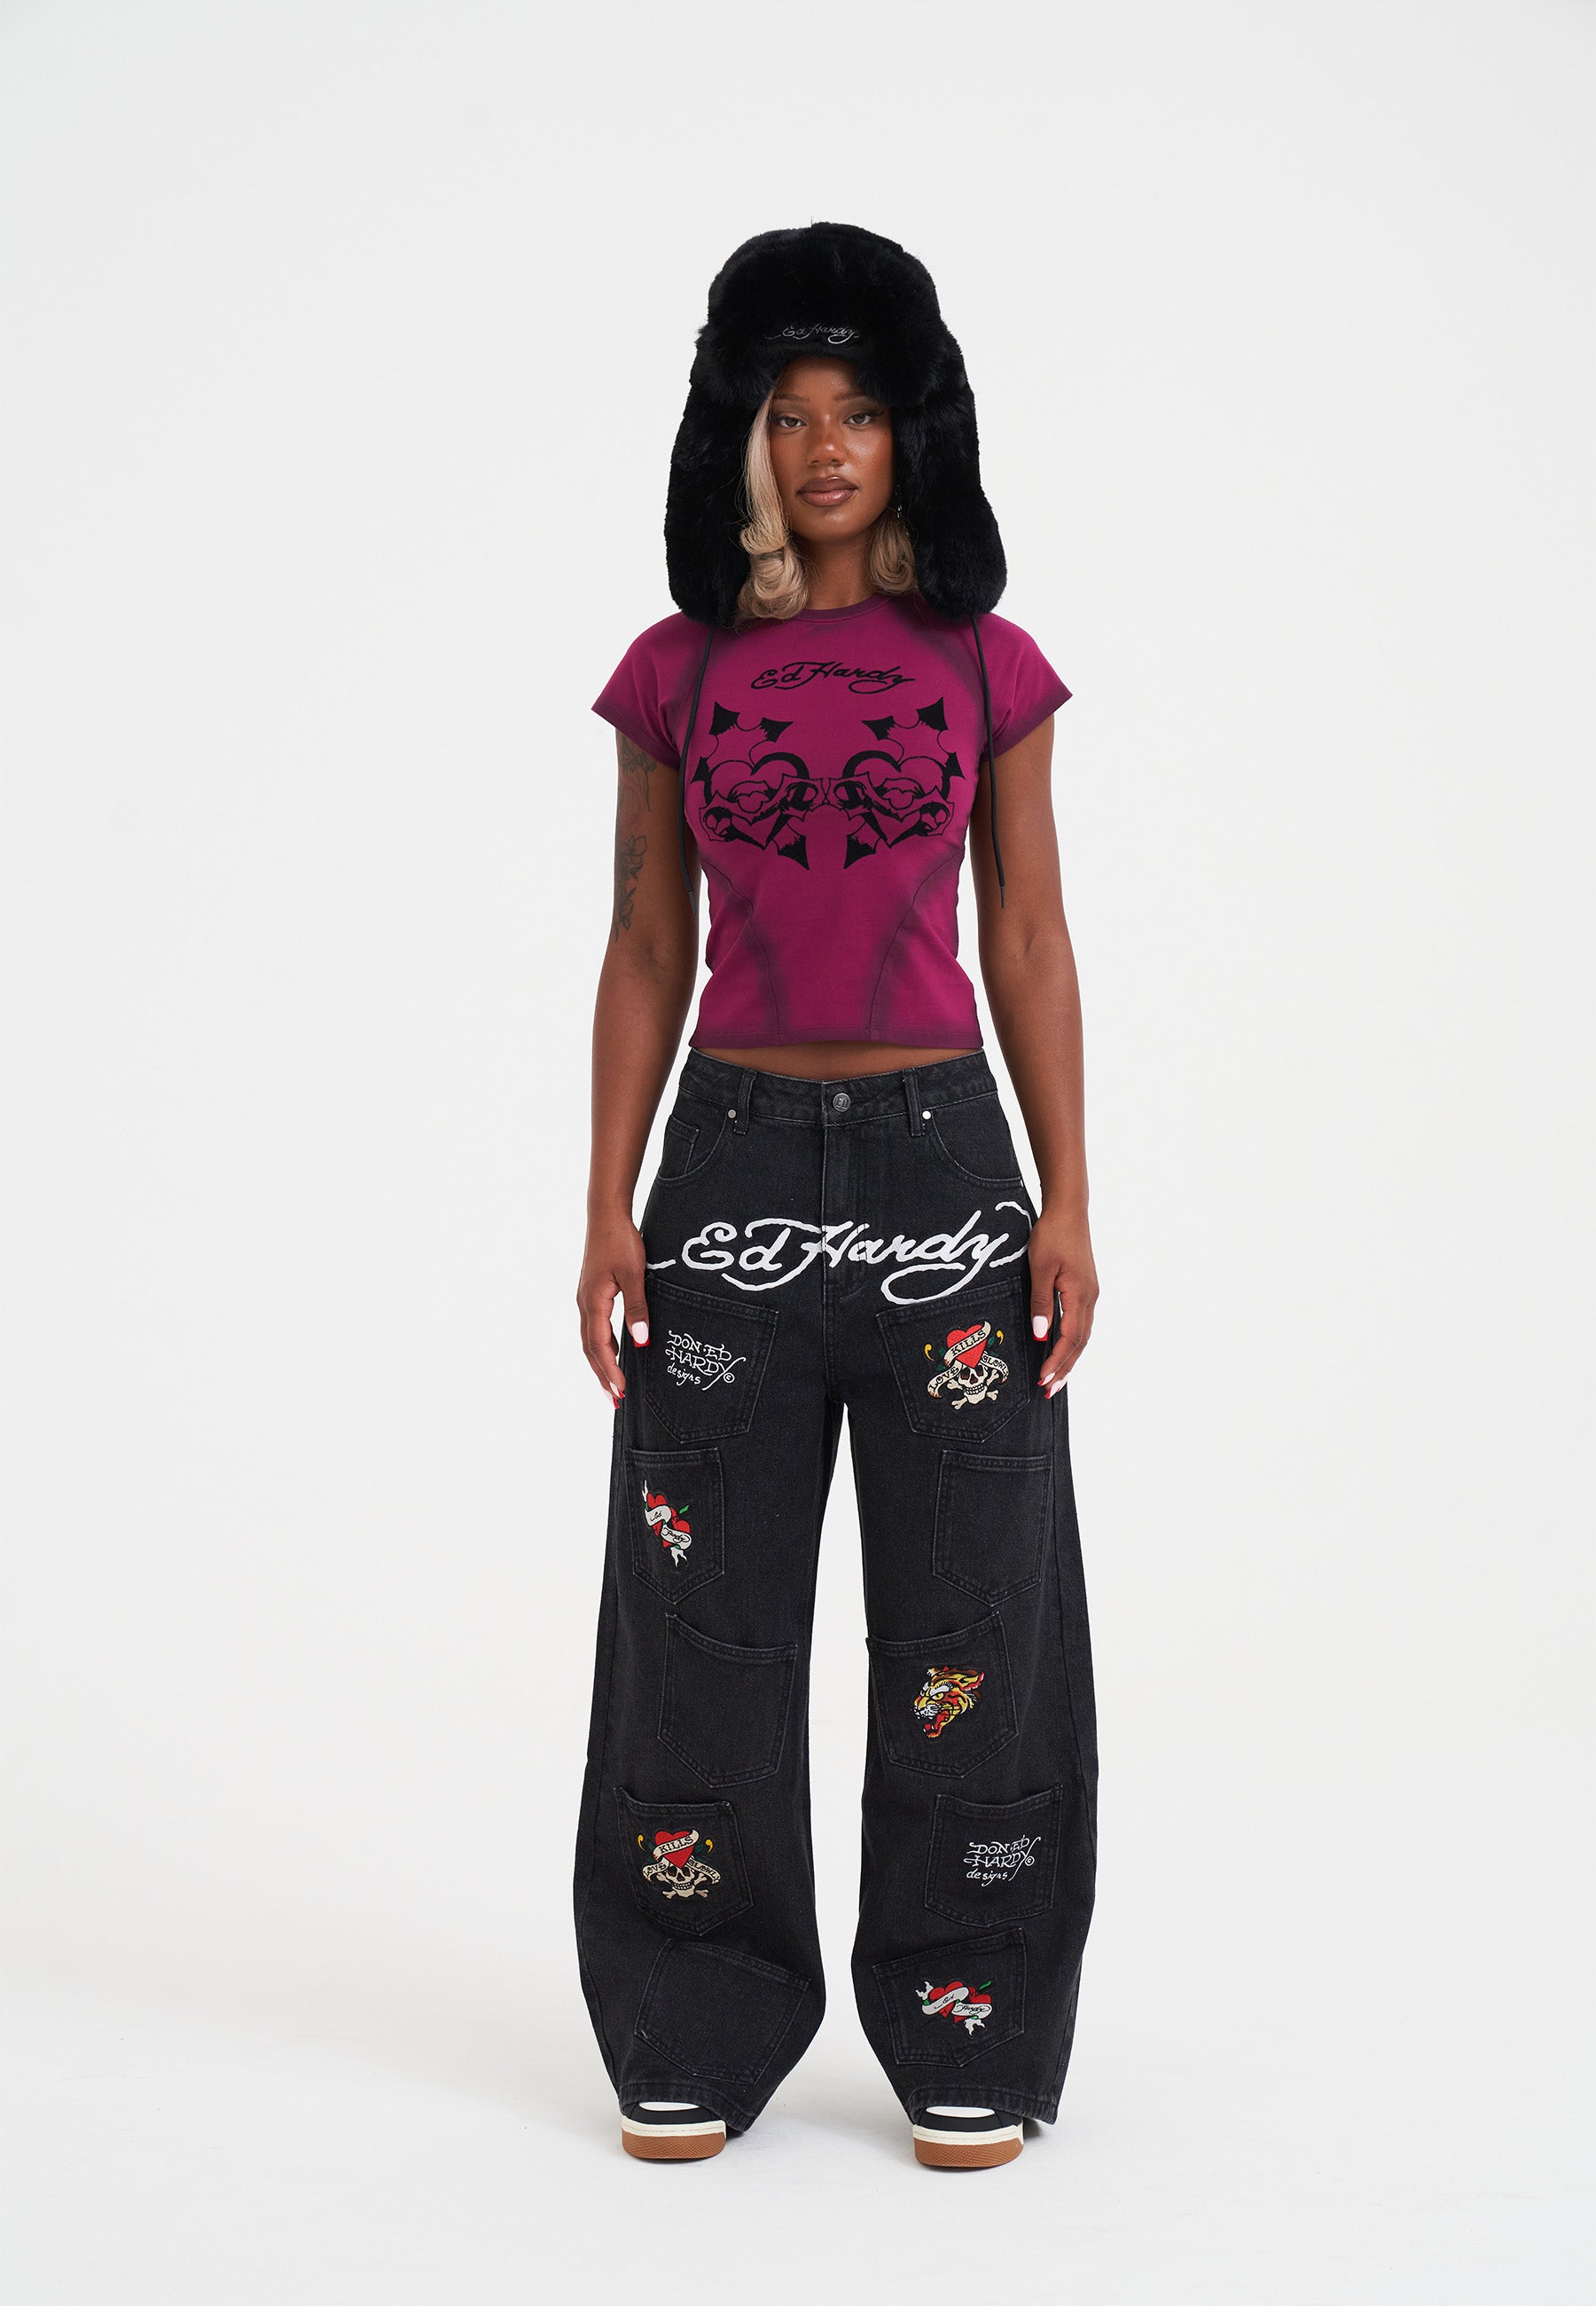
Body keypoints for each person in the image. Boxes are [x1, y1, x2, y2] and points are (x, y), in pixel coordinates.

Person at [572, 224, 1099, 2172]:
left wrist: (1067, 1197)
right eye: (787, 415)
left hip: (947, 1171)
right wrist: (608, 1202)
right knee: (698, 1618)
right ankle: (693, 2011)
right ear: (740, 437)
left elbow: (1027, 933)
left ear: (911, 436)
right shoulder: (677, 670)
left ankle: (971, 2014)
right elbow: (646, 940)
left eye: (857, 412)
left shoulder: (984, 663)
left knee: (977, 1616)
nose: (822, 448)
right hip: (724, 1171)